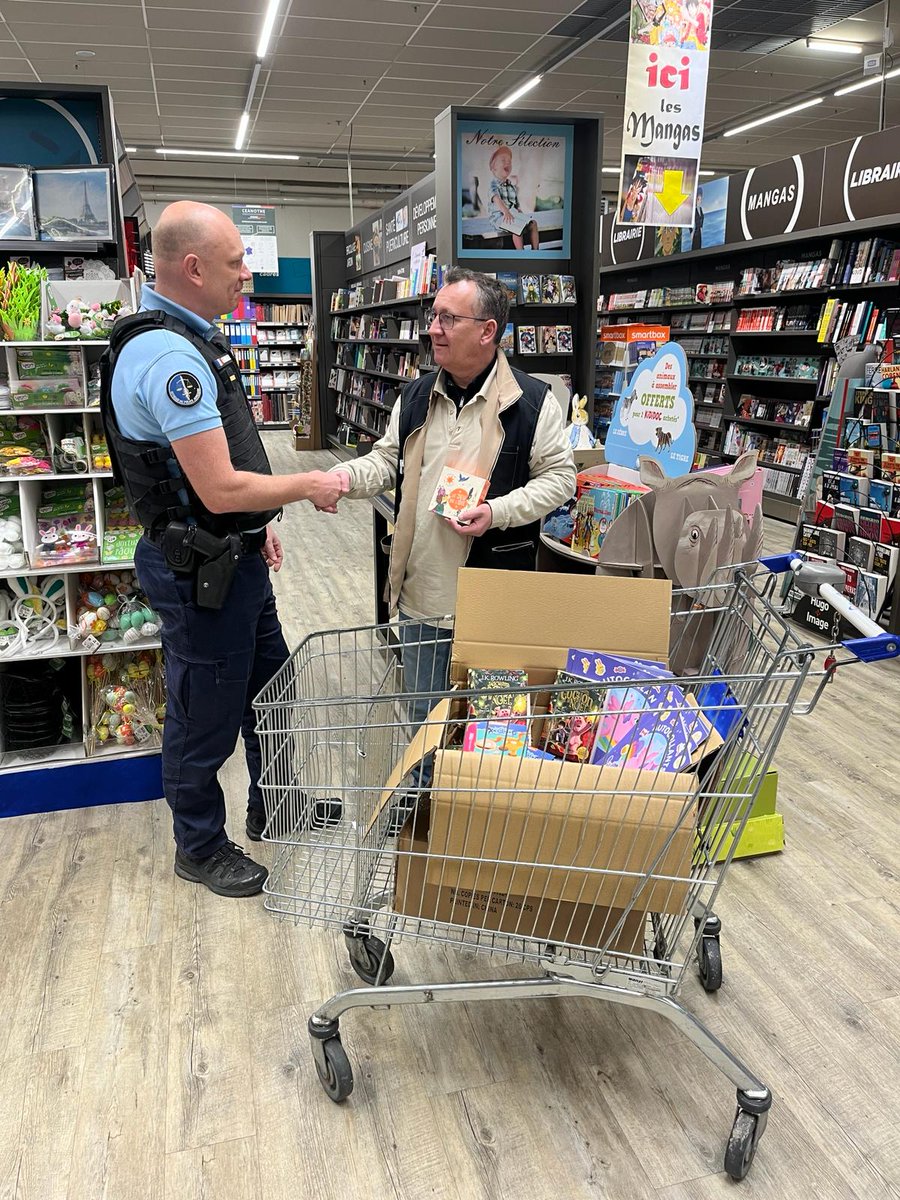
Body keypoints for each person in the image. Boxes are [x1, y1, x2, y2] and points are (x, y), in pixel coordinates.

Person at [100, 201, 346, 898]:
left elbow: (220, 462)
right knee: (204, 710)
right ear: (192, 267)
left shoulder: (192, 337)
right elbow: (215, 484)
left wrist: (259, 515)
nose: (247, 274)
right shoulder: (168, 355)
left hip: (232, 554)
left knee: (273, 686)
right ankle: (200, 846)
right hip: (198, 569)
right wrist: (307, 484)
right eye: (237, 261)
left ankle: (281, 802)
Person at [331, 266, 576, 768]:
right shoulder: (416, 395)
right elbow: (386, 460)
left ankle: (474, 816)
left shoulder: (532, 404)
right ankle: (423, 805)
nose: (433, 328)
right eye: (433, 316)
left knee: (491, 720)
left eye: (448, 318)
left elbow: (560, 479)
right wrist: (340, 481)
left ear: (488, 331)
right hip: (424, 591)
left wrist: (497, 512)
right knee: (424, 712)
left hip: (495, 593)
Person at [487, 145, 540, 251]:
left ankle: (536, 252)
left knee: (533, 223)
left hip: (512, 215)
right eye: (503, 160)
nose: (507, 163)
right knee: (517, 227)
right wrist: (506, 212)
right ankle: (521, 253)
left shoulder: (511, 185)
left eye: (509, 161)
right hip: (499, 217)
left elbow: (516, 204)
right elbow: (497, 199)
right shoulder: (493, 184)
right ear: (494, 168)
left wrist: (519, 211)